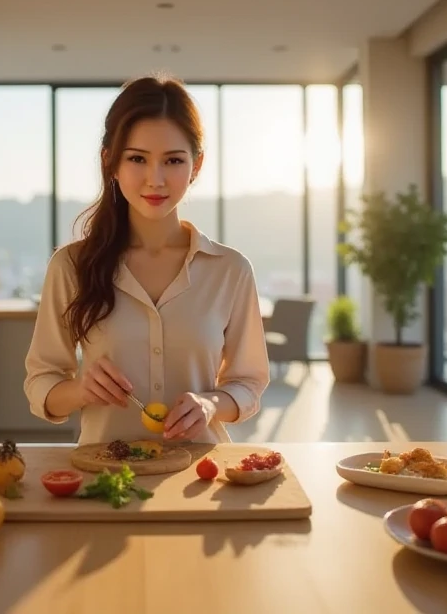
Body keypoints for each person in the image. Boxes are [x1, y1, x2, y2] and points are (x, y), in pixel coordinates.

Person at [23, 73, 270, 445]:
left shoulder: (230, 270)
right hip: (104, 483)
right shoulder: (70, 267)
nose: (155, 179)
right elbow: (41, 383)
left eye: (173, 160)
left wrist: (209, 404)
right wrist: (80, 389)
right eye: (137, 158)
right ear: (111, 162)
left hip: (200, 478)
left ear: (196, 166)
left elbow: (248, 384)